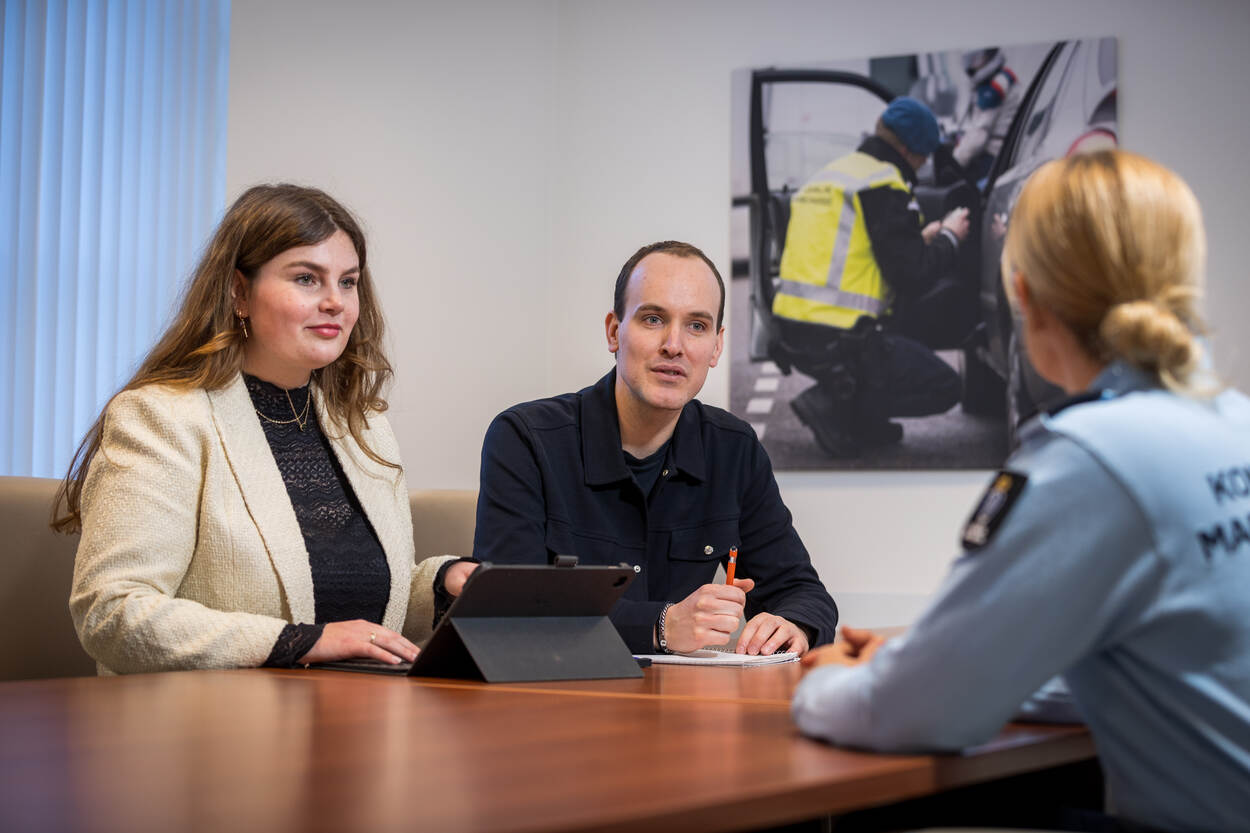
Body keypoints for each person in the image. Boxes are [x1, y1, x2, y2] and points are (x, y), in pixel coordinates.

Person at [792, 150, 1250, 833]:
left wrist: (824, 680)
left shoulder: (1086, 459)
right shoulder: (1234, 421)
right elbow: (1165, 657)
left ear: (1025, 293)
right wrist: (923, 658)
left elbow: (918, 715)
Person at [57, 184, 478, 674]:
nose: (335, 303)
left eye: (347, 282)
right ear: (239, 292)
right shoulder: (160, 417)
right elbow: (113, 613)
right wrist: (301, 642)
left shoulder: (360, 422)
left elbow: (344, 601)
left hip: (354, 718)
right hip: (202, 728)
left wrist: (442, 581)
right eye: (306, 278)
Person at [473, 241, 838, 655]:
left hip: (678, 705)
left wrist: (792, 624)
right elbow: (506, 609)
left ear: (716, 347)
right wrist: (660, 626)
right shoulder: (525, 439)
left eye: (696, 326)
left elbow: (803, 592)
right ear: (614, 331)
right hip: (559, 698)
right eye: (652, 319)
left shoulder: (733, 448)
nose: (674, 345)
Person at [774, 96, 973, 458]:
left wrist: (921, 238)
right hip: (840, 340)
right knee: (946, 386)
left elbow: (860, 248)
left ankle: (863, 423)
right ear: (906, 149)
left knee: (894, 335)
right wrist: (950, 237)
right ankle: (833, 405)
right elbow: (913, 274)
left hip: (793, 333)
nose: (925, 163)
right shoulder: (883, 183)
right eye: (923, 155)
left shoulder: (832, 175)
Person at [953, 47, 1024, 183]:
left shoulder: (996, 86)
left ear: (990, 56)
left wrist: (956, 161)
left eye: (978, 59)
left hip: (994, 157)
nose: (974, 65)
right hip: (1001, 153)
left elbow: (979, 134)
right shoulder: (1001, 79)